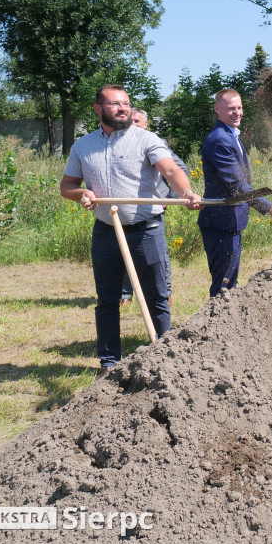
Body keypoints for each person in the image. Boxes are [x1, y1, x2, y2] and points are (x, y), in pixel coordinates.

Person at [60, 85, 202, 378]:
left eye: (125, 104)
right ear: (98, 109)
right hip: (106, 231)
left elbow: (171, 171)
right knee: (107, 299)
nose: (123, 108)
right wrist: (82, 193)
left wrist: (186, 192)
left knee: (157, 296)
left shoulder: (147, 139)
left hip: (146, 230)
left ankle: (165, 356)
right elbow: (67, 187)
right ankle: (109, 362)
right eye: (115, 104)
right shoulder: (83, 146)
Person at [198, 88, 272, 297]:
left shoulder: (232, 135)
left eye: (239, 108)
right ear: (217, 109)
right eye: (231, 109)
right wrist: (270, 208)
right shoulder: (219, 139)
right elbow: (238, 186)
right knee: (224, 284)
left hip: (231, 220)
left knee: (229, 280)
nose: (237, 113)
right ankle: (217, 325)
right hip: (220, 222)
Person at [119, 108, 190, 305]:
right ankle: (125, 294)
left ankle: (165, 293)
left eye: (137, 121)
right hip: (126, 208)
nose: (133, 124)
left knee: (159, 255)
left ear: (145, 124)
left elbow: (179, 168)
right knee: (125, 250)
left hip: (152, 208)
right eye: (130, 121)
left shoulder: (155, 142)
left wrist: (170, 198)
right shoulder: (118, 143)